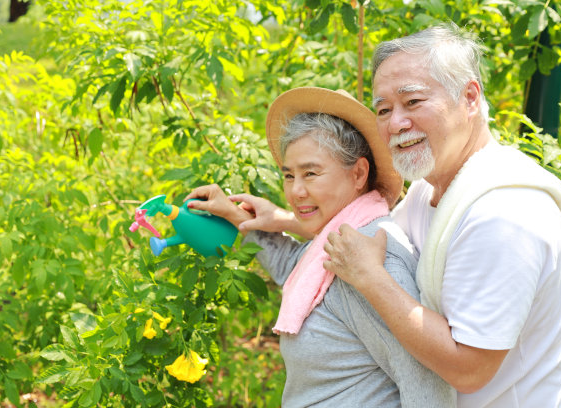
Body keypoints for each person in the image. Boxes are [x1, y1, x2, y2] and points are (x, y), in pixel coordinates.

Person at [225, 25, 561, 407]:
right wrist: (283, 218)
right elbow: (359, 233)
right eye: (383, 109)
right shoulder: (428, 192)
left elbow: (468, 368)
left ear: (469, 98)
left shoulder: (503, 216)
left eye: (413, 101)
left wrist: (370, 278)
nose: (396, 122)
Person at [185, 87, 456, 407]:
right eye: (289, 175)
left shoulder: (372, 259)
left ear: (358, 173)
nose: (296, 191)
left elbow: (427, 385)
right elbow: (293, 265)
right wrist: (234, 215)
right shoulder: (341, 241)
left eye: (311, 173)